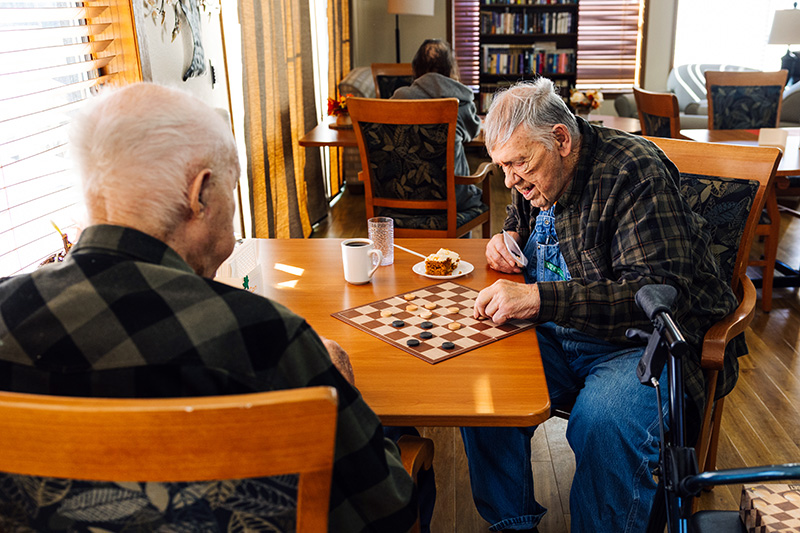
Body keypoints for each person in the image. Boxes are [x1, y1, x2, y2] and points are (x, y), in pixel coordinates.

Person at [0, 83, 419, 533]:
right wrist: (333, 384)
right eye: (232, 191)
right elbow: (391, 507)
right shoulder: (267, 339)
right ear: (199, 195)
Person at [460, 78, 744, 532]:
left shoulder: (634, 172)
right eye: (502, 167)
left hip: (638, 342)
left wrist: (536, 297)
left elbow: (656, 296)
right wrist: (510, 235)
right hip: (556, 332)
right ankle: (513, 524)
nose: (512, 180)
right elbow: (525, 211)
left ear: (561, 139)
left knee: (603, 424)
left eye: (519, 164)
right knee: (480, 392)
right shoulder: (539, 167)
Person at [392, 38, 484, 211]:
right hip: (451, 199)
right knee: (475, 195)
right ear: (450, 68)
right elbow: (474, 131)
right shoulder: (460, 102)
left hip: (400, 194)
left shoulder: (398, 98)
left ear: (416, 67)